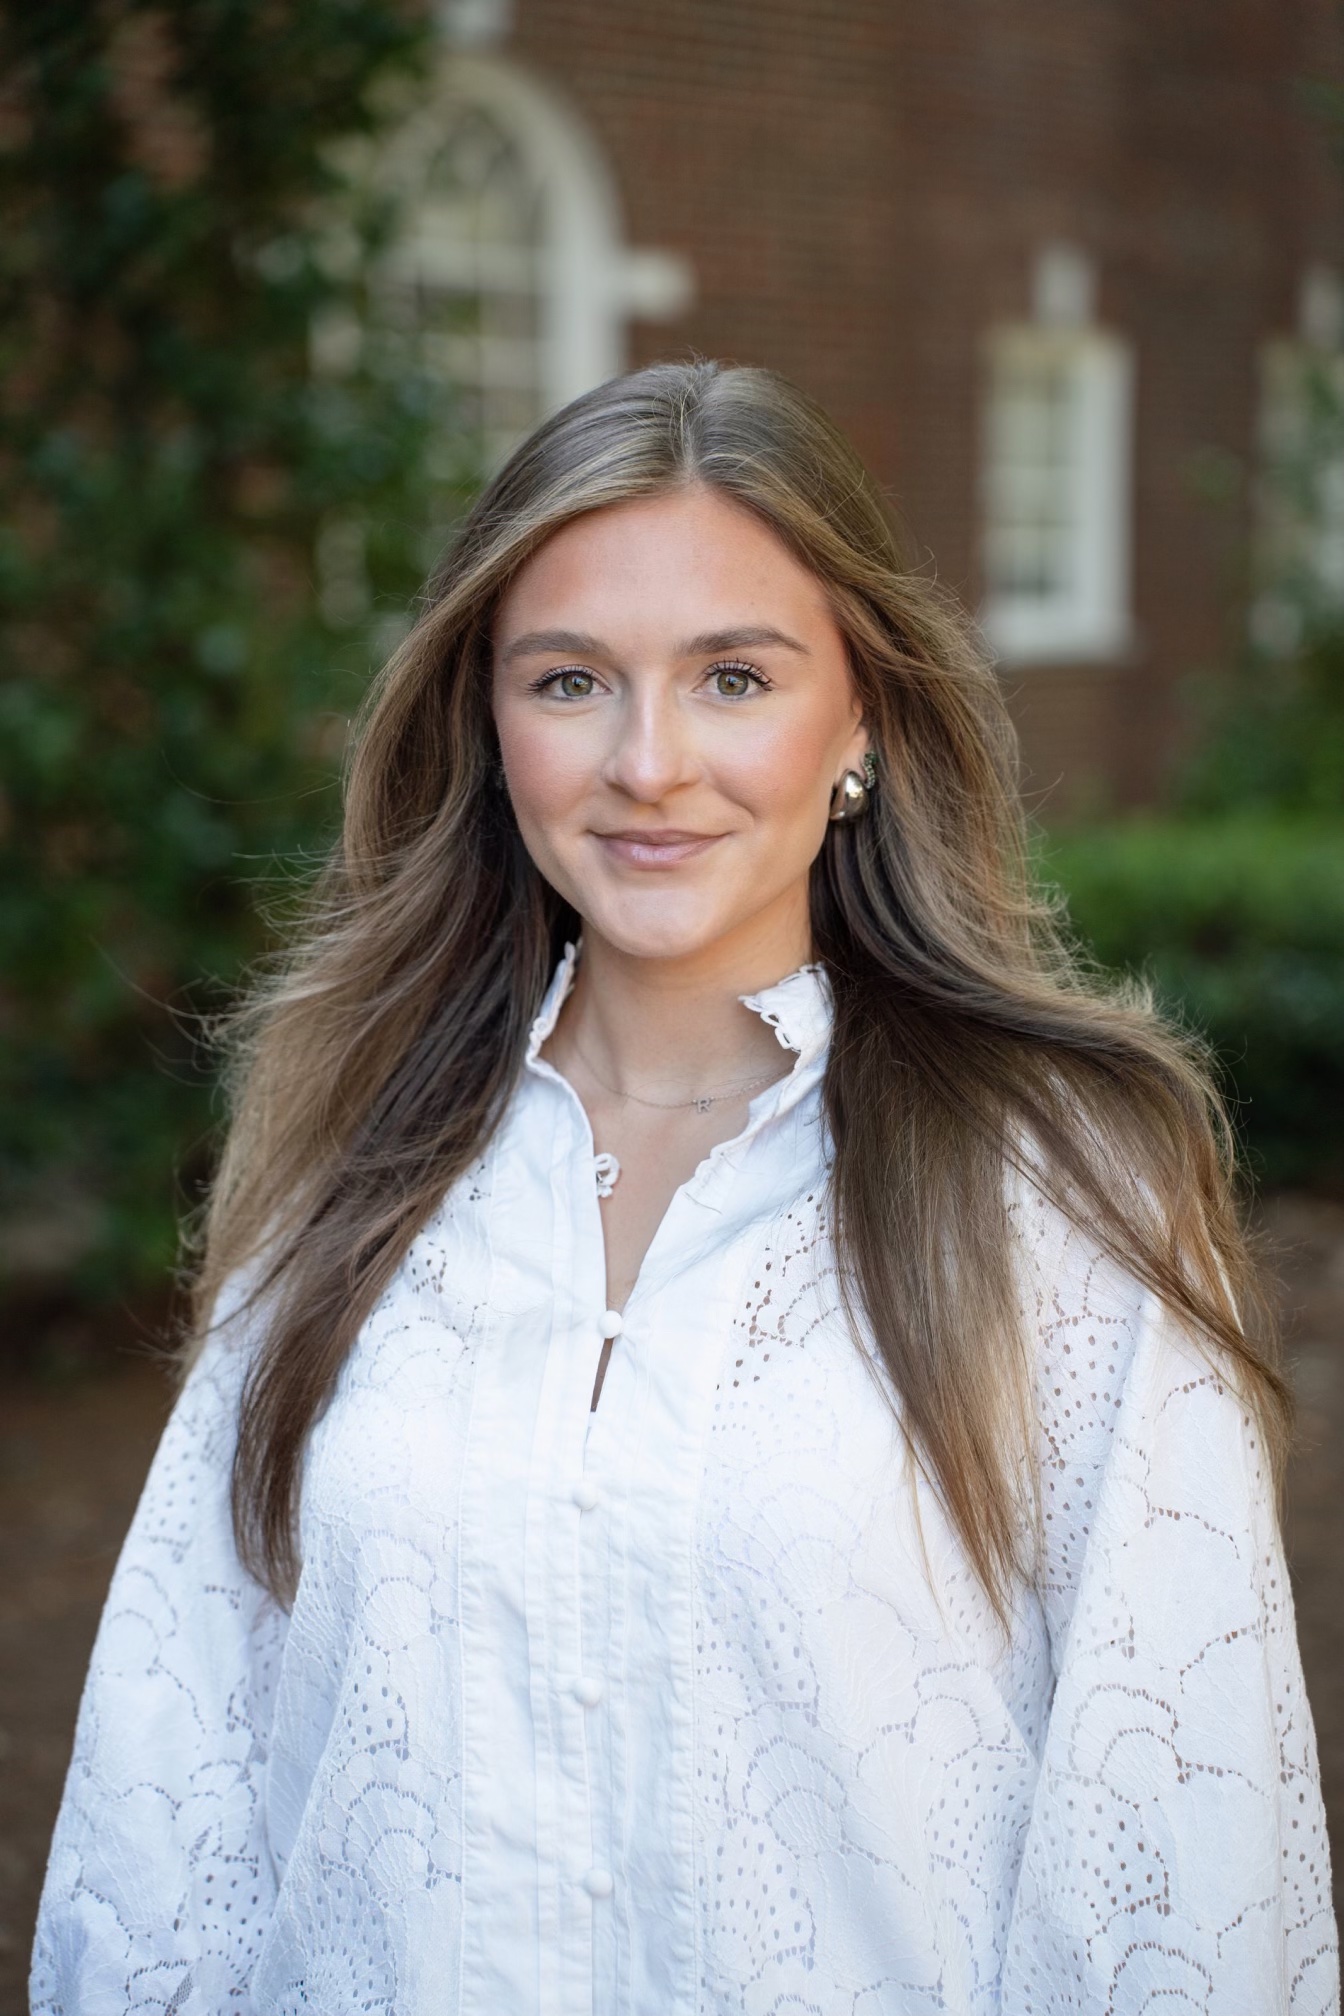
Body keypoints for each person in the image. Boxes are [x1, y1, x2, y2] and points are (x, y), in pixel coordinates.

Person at [32, 360, 1336, 2015]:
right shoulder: (347, 1159)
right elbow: (176, 1804)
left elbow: (1183, 1880)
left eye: (734, 676)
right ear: (487, 723)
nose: (649, 763)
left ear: (859, 716)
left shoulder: (1067, 1185)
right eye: (570, 681)